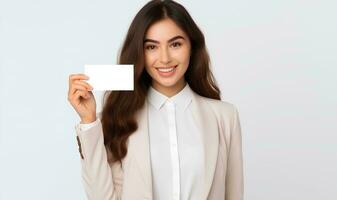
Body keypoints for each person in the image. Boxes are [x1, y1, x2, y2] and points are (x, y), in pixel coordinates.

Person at [67, 0, 243, 199]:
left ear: (192, 46)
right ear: (140, 52)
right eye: (152, 47)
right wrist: (89, 121)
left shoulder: (225, 116)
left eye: (175, 44)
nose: (165, 58)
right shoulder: (119, 118)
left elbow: (234, 194)